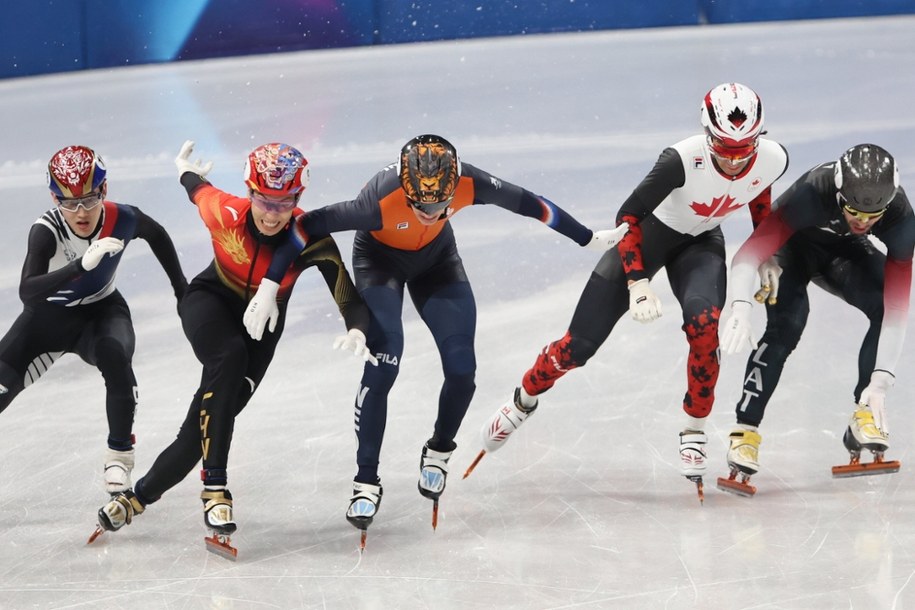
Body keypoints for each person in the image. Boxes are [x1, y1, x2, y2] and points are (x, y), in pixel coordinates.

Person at [242, 133, 628, 536]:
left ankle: (439, 450)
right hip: (379, 264)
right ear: (405, 190)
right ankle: (365, 480)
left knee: (463, 370)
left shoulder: (470, 183)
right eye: (419, 204)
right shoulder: (376, 202)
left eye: (439, 206)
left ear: (453, 189)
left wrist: (586, 237)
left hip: (437, 264)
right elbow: (306, 226)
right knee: (384, 364)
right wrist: (270, 285)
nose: (429, 213)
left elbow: (532, 204)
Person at [473, 83, 789, 498]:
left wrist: (766, 253)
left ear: (758, 139)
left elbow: (759, 199)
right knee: (578, 347)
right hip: (649, 237)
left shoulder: (773, 159)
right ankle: (523, 398)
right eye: (724, 151)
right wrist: (638, 283)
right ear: (707, 136)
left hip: (701, 244)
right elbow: (628, 216)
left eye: (743, 151)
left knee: (704, 325)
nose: (733, 163)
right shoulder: (680, 160)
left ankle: (693, 429)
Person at [95, 141, 372, 553]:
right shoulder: (224, 212)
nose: (273, 212)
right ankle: (216, 491)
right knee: (228, 357)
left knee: (202, 426)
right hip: (208, 302)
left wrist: (356, 330)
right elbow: (197, 190)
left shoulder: (310, 239)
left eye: (285, 202)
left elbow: (347, 295)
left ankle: (135, 499)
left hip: (261, 333)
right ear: (249, 191)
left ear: (299, 197)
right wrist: (184, 170)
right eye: (264, 199)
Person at [718, 144, 913, 491]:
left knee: (883, 306)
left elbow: (898, 308)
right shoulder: (813, 192)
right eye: (854, 211)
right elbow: (747, 256)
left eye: (873, 216)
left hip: (846, 253)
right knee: (787, 327)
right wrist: (740, 308)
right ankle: (744, 431)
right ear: (838, 194)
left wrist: (881, 380)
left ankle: (864, 413)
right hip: (791, 250)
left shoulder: (900, 216)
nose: (863, 222)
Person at [0, 145, 186, 495]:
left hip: (102, 314)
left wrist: (181, 289)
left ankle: (119, 456)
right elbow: (27, 291)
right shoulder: (46, 230)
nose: (80, 212)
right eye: (68, 203)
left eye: (88, 199)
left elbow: (157, 233)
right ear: (55, 199)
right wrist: (79, 266)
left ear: (104, 190)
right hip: (45, 323)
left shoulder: (123, 218)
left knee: (117, 359)